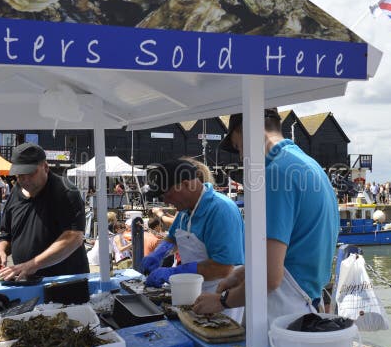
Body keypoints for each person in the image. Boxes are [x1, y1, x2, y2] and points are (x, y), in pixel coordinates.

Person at [192, 109, 339, 324]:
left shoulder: (274, 173)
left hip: (283, 311)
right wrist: (241, 274)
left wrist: (222, 301)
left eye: (238, 146)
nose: (241, 156)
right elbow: (297, 248)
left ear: (248, 132)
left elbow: (270, 278)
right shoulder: (308, 165)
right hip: (306, 301)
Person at [140, 159, 244, 295]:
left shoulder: (221, 210)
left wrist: (174, 272)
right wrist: (158, 254)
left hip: (222, 291)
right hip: (193, 288)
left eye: (166, 194)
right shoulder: (185, 210)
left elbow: (223, 267)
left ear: (186, 184)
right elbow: (173, 238)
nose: (165, 201)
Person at [0, 143, 87, 280]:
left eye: (31, 173)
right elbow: (7, 234)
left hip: (65, 282)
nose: (25, 179)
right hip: (27, 281)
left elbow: (74, 237)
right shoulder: (16, 191)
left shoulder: (65, 191)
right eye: (21, 175)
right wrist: (1, 251)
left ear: (45, 167)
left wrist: (33, 264)